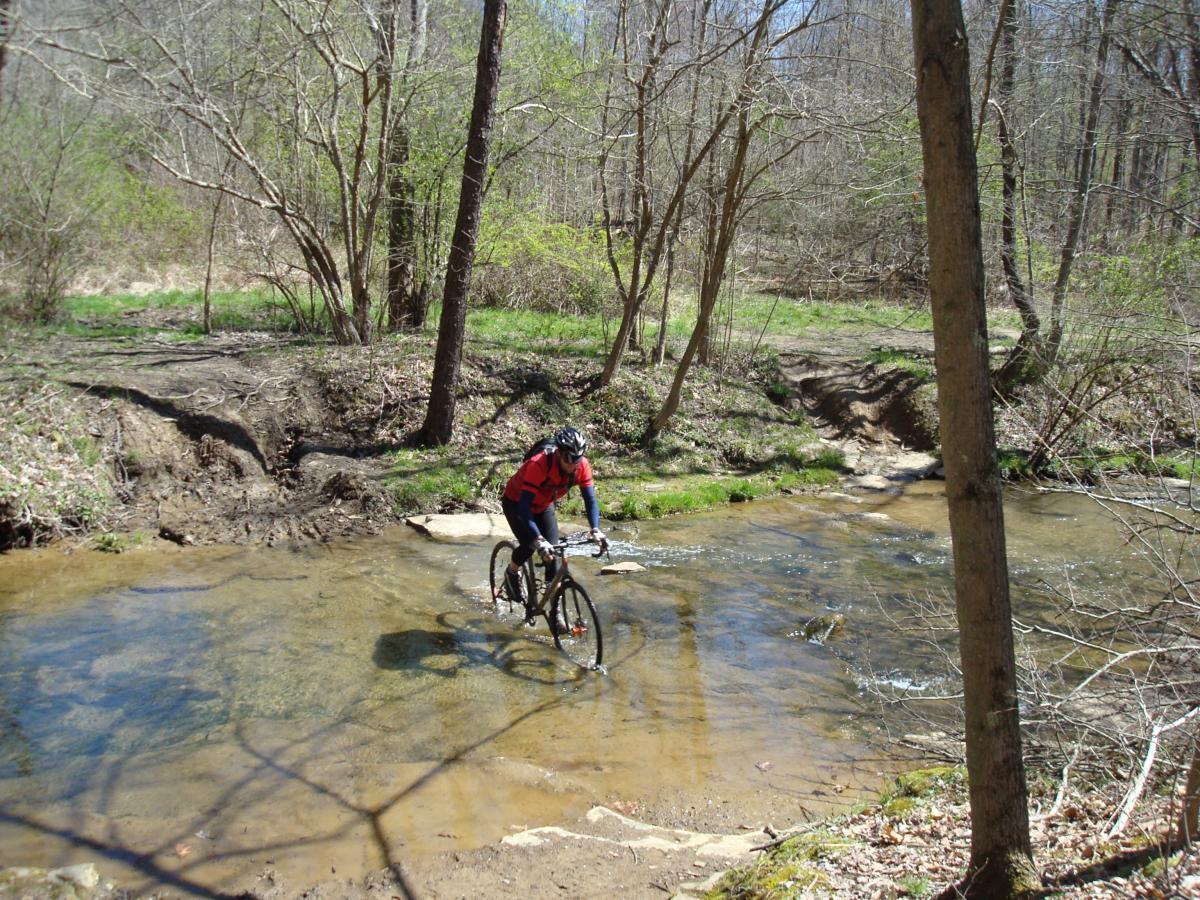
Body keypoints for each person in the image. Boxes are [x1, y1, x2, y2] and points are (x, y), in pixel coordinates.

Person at [500, 426, 607, 609]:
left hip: (543, 505)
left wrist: (595, 529)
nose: (573, 464)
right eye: (569, 459)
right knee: (529, 545)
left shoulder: (581, 466)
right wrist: (538, 540)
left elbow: (590, 500)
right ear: (558, 453)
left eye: (577, 459)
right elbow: (524, 508)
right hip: (517, 503)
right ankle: (512, 572)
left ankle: (554, 609)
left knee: (553, 554)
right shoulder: (539, 464)